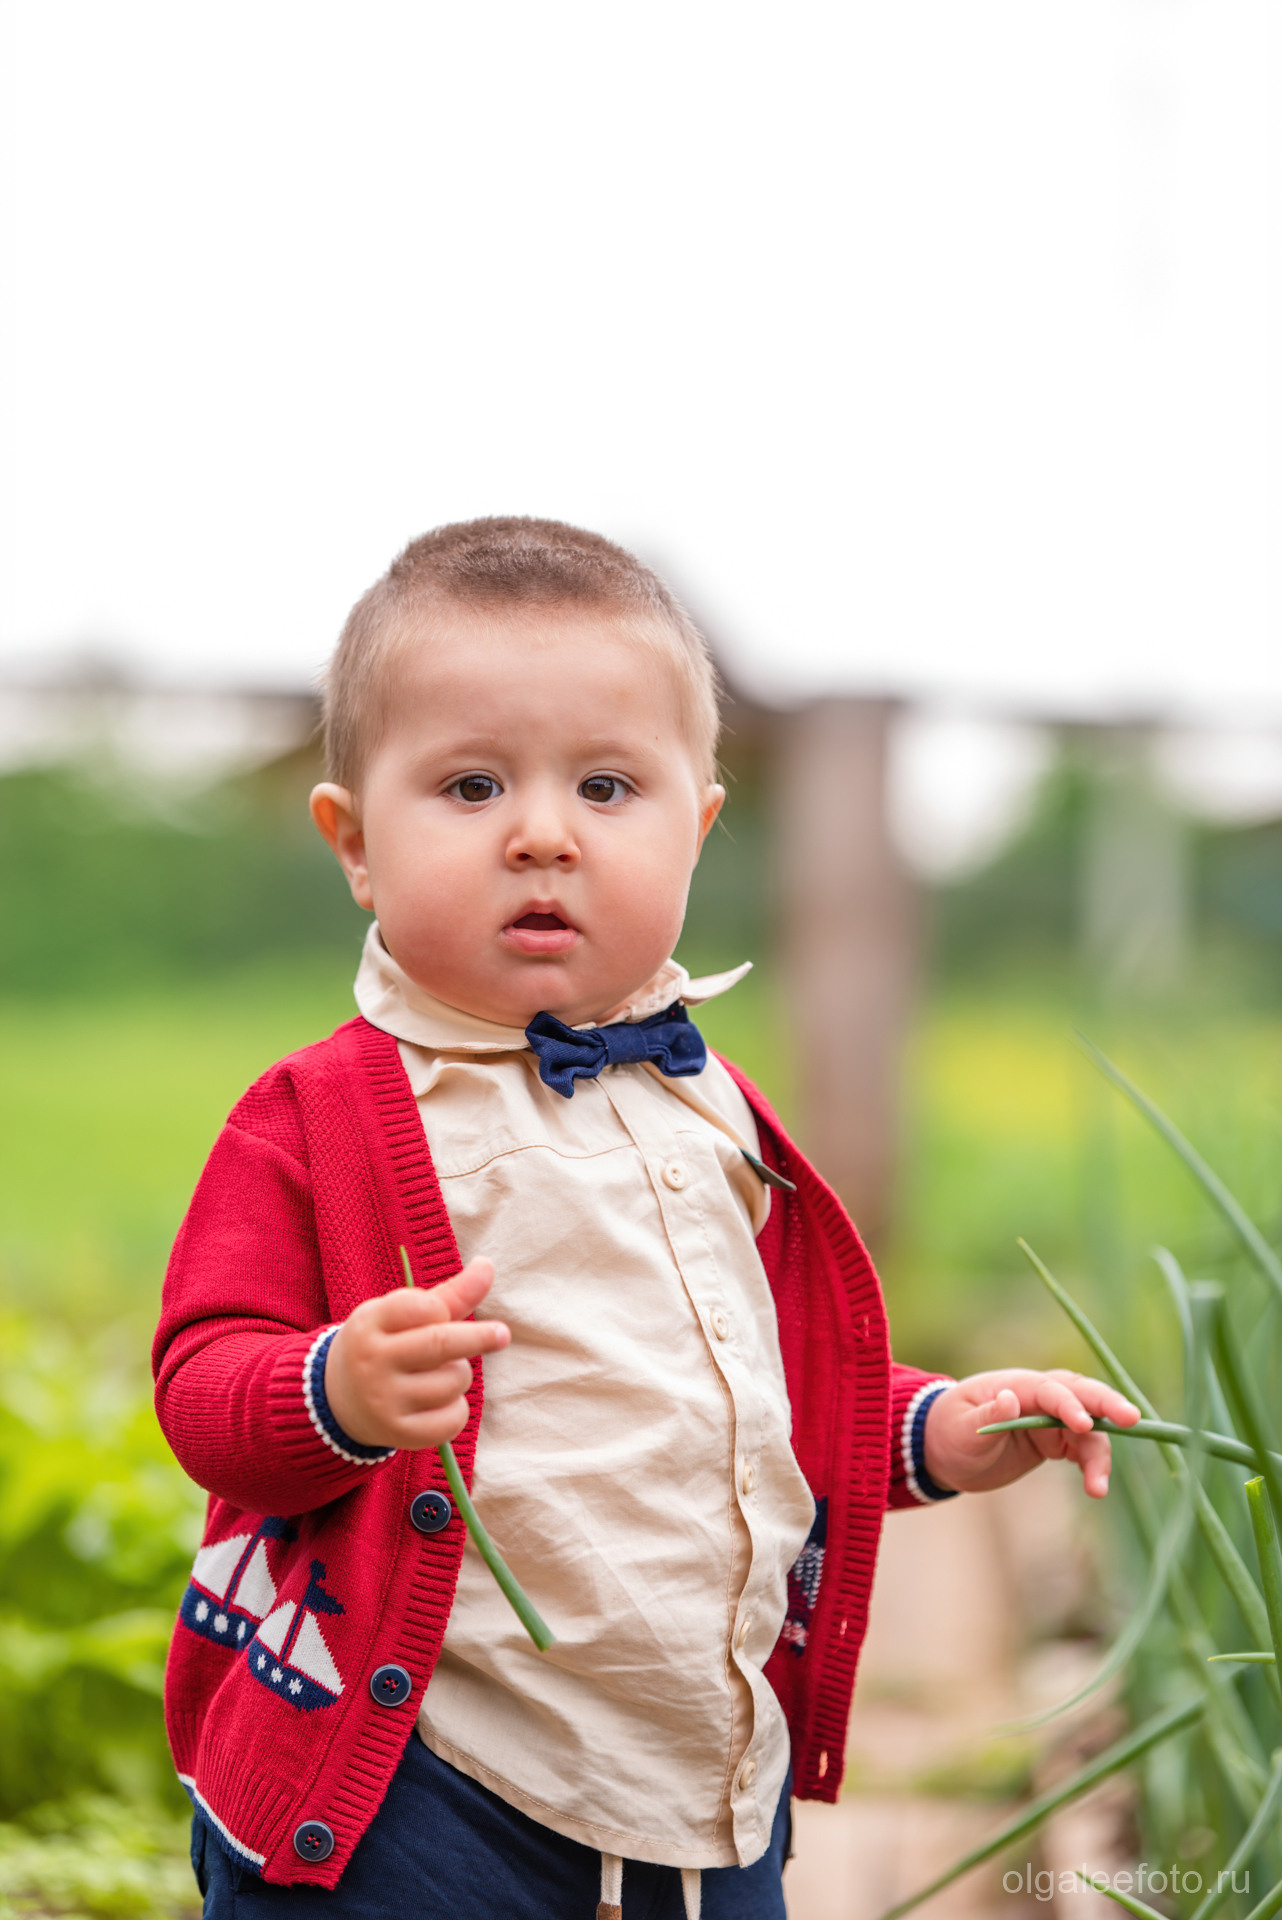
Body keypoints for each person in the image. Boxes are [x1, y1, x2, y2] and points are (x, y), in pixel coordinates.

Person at [153, 518, 1138, 1920]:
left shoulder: (712, 1115)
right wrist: (338, 1388)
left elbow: (749, 1396)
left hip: (698, 1787)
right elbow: (201, 1388)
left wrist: (927, 1430)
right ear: (355, 841)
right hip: (419, 1784)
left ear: (698, 823)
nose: (543, 833)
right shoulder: (316, 1119)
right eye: (471, 784)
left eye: (607, 786)